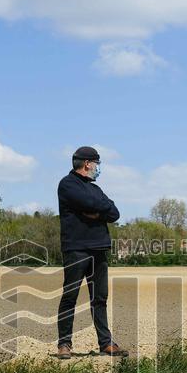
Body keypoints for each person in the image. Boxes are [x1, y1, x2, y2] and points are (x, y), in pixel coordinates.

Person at [56, 146, 127, 359]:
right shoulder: (67, 184)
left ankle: (105, 343)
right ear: (87, 163)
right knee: (70, 297)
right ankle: (64, 344)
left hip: (99, 249)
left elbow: (114, 212)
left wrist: (97, 211)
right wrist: (100, 209)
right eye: (97, 163)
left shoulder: (95, 188)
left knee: (100, 299)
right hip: (76, 249)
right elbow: (91, 203)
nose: (98, 167)